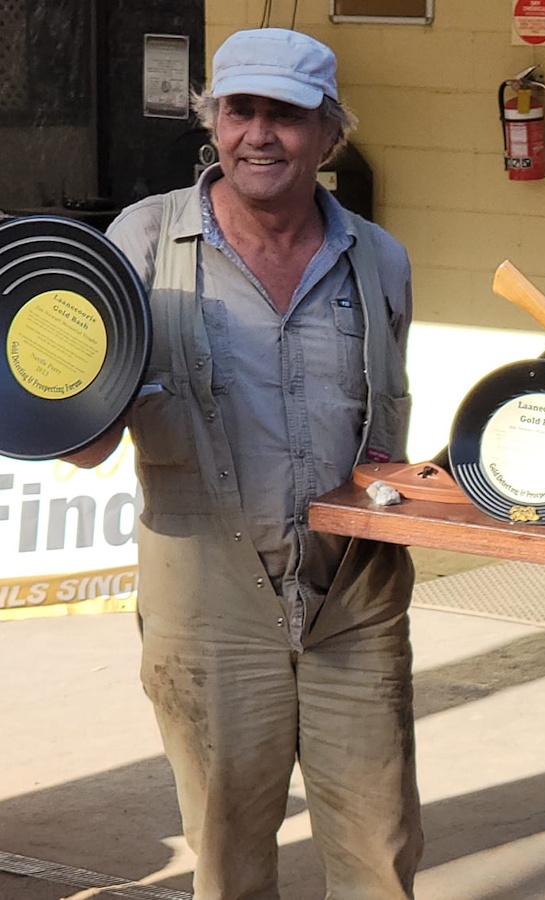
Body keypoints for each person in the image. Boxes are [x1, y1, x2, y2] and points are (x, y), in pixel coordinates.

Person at [66, 28, 422, 898]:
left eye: (288, 116)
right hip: (211, 607)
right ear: (213, 122)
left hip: (356, 600)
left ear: (330, 134)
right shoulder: (142, 244)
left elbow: (381, 434)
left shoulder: (380, 258)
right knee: (228, 865)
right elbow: (85, 439)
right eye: (241, 111)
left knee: (381, 854)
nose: (260, 134)